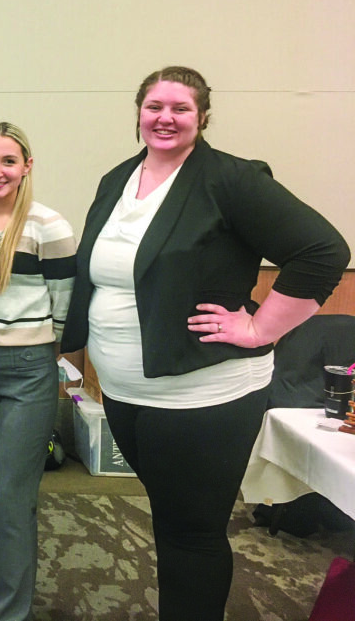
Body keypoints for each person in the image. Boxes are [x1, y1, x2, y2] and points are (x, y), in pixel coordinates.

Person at [61, 66, 350, 621]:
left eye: (181, 108)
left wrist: (261, 327)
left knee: (191, 532)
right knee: (170, 520)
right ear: (138, 111)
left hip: (203, 395)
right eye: (154, 106)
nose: (165, 118)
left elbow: (322, 252)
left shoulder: (231, 180)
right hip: (126, 392)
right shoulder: (119, 178)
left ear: (202, 117)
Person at [0, 122, 76, 621]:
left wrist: (43, 357)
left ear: (27, 167)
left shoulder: (49, 227)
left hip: (28, 368)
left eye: (8, 161)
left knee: (14, 498)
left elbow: (63, 309)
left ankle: (9, 613)